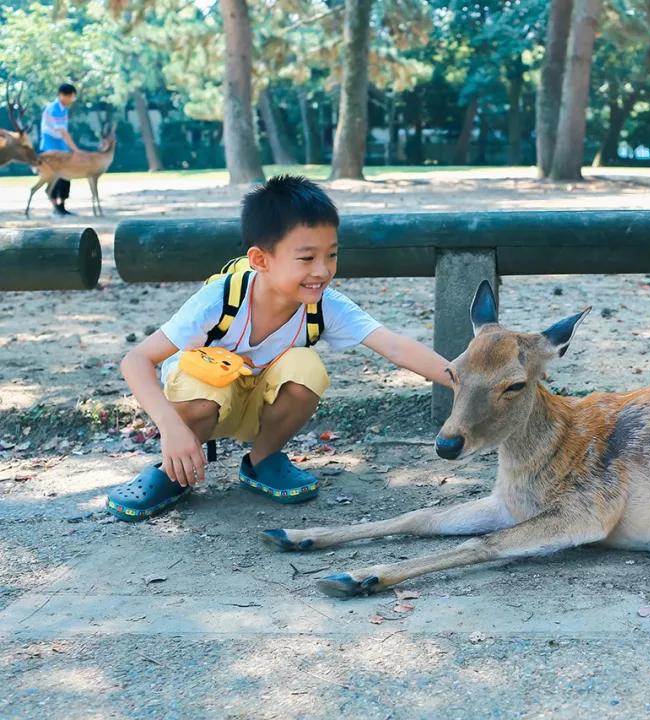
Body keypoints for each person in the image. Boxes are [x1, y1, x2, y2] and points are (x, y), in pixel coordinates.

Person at [106, 175, 452, 520]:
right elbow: (136, 360)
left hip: (259, 404)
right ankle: (174, 471)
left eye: (331, 255)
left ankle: (262, 460)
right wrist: (170, 428)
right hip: (203, 405)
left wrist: (463, 380)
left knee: (306, 366)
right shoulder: (221, 298)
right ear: (260, 260)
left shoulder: (324, 305)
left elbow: (395, 346)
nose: (322, 271)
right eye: (306, 258)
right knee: (196, 385)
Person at [39, 83, 81, 216]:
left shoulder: (63, 109)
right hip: (51, 145)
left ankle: (62, 207)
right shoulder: (54, 108)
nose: (72, 100)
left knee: (66, 174)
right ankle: (55, 207)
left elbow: (63, 133)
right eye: (71, 97)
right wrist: (76, 150)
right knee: (54, 176)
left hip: (61, 145)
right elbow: (63, 132)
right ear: (63, 95)